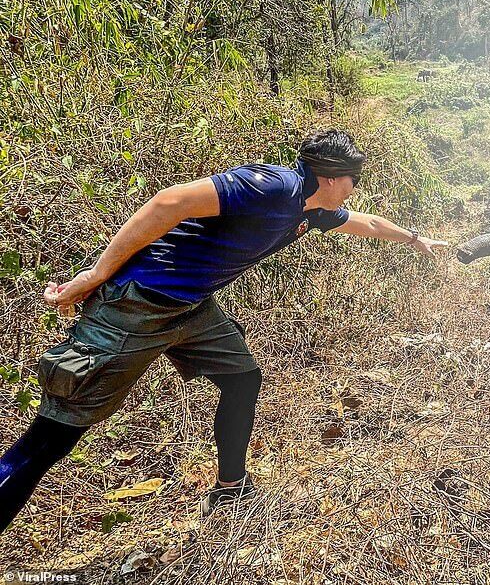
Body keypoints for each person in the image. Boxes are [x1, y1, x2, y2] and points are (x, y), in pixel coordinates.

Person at [0, 129, 447, 531]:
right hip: (135, 306)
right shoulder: (273, 186)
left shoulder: (307, 209)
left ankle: (231, 487)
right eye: (353, 181)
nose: (353, 191)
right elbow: (169, 201)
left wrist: (414, 238)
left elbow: (364, 222)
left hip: (191, 309)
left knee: (242, 378)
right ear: (332, 177)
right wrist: (95, 275)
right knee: (53, 437)